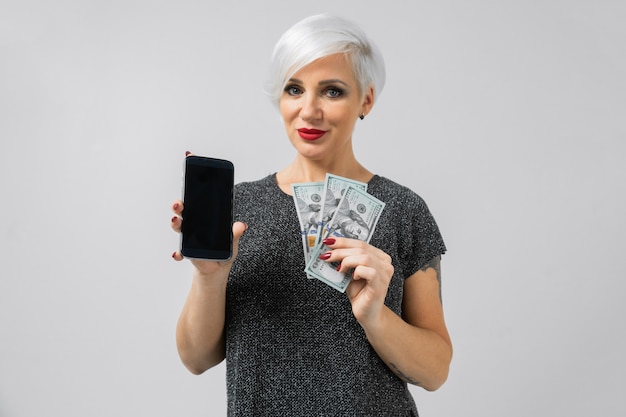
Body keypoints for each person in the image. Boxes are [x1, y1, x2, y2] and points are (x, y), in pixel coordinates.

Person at [170, 13, 452, 416]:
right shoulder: (237, 209)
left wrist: (374, 316)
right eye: (294, 89)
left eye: (332, 91)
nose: (309, 110)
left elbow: (435, 370)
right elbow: (196, 359)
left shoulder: (403, 210)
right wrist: (208, 279)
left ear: (366, 99)